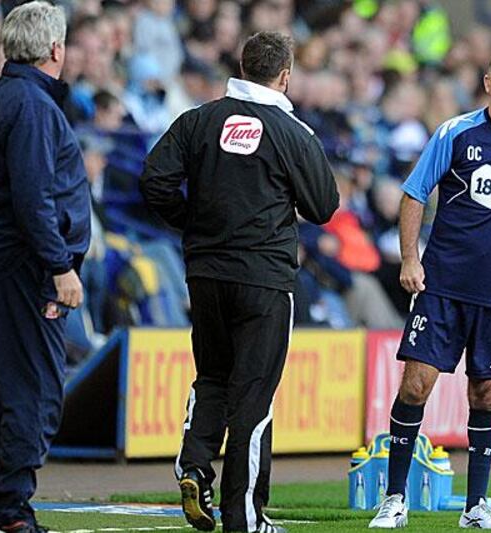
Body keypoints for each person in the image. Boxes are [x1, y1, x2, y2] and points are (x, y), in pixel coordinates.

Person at [140, 31, 338, 533]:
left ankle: (194, 466)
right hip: (265, 279)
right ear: (285, 76)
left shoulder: (198, 120)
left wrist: (193, 223)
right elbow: (324, 206)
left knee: (212, 377)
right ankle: (244, 519)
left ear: (242, 66)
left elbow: (154, 179)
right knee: (253, 399)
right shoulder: (293, 132)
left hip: (205, 273)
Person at [369, 44, 491, 530]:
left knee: (487, 395)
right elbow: (415, 192)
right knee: (416, 386)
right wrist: (411, 258)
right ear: (486, 81)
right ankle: (394, 498)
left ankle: (475, 507)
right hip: (441, 286)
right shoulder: (455, 133)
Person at [0, 3, 91, 532]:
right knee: (31, 390)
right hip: (23, 265)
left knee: (2, 389)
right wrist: (60, 265)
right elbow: (33, 196)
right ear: (55, 49)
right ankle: (11, 512)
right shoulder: (34, 107)